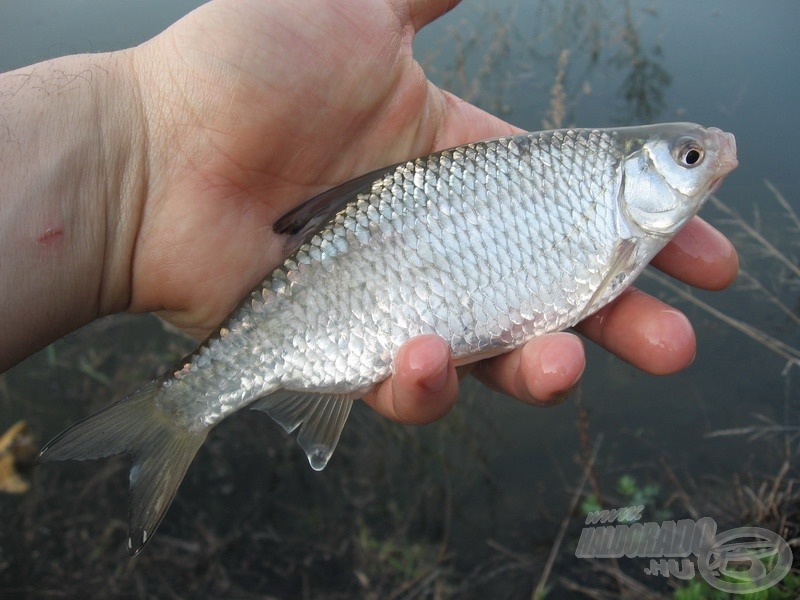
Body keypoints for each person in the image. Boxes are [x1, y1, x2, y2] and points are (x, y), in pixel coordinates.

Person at [0, 0, 737, 425]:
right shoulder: (615, 223)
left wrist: (126, 166)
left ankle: (190, 408)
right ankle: (174, 413)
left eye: (690, 156)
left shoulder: (609, 213)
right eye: (688, 159)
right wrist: (133, 146)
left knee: (471, 365)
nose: (705, 157)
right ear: (633, 177)